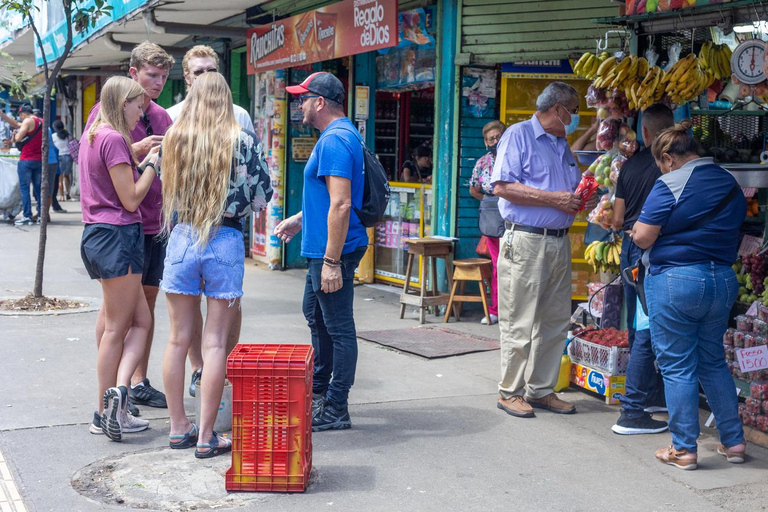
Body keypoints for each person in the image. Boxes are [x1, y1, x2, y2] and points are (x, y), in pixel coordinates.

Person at [160, 72, 272, 458]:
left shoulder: (174, 139)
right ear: (226, 101)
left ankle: (178, 428)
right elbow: (263, 197)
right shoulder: (242, 141)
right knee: (215, 344)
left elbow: (162, 186)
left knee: (177, 339)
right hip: (225, 238)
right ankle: (207, 437)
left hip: (182, 236)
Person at [631, 122, 747, 470]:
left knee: (677, 365)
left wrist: (637, 229)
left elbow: (643, 238)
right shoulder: (729, 181)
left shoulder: (671, 183)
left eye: (660, 165)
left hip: (677, 280)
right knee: (712, 361)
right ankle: (734, 442)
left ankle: (683, 450)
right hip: (722, 281)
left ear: (668, 158)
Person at [491, 82, 598, 419]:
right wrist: (555, 199)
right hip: (525, 240)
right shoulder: (518, 136)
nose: (578, 117)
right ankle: (510, 391)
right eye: (575, 109)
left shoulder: (562, 144)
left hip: (558, 240)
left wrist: (581, 199)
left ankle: (541, 389)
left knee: (553, 321)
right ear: (558, 109)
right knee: (519, 319)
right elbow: (502, 186)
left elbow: (566, 192)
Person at [275, 72, 368, 432]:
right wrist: (301, 219)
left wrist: (331, 262)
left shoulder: (335, 140)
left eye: (302, 98)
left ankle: (336, 405)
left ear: (319, 103)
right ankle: (318, 390)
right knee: (314, 313)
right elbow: (332, 196)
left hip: (335, 250)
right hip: (323, 245)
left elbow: (342, 204)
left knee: (338, 326)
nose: (298, 105)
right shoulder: (338, 136)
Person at [86, 41, 175, 414]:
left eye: (163, 77)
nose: (157, 85)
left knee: (143, 310)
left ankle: (132, 384)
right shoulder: (107, 120)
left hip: (153, 224)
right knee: (115, 318)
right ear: (132, 75)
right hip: (121, 227)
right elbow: (98, 163)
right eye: (151, 76)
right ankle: (112, 396)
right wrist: (140, 152)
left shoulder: (162, 117)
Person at [166, 45, 254, 399]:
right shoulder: (170, 116)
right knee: (188, 327)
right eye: (199, 71)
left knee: (221, 314)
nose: (206, 77)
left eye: (212, 70)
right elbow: (257, 191)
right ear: (187, 77)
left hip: (211, 230)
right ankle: (201, 371)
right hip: (190, 228)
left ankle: (220, 374)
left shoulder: (241, 117)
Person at [78, 76, 159, 441]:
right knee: (117, 329)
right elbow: (131, 198)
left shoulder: (95, 133)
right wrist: (152, 164)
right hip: (117, 236)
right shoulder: (112, 138)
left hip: (100, 235)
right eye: (137, 105)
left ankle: (118, 397)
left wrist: (137, 152)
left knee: (139, 322)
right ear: (121, 103)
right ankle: (105, 408)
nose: (141, 112)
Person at [609, 103, 674, 436]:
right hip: (655, 249)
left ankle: (650, 397)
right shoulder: (673, 166)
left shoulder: (630, 164)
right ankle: (636, 406)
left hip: (630, 249)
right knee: (652, 328)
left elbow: (617, 218)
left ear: (644, 133)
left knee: (639, 326)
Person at [469, 120, 505, 325]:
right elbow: (474, 189)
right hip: (493, 220)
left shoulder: (516, 158)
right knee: (498, 265)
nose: (494, 141)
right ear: (485, 142)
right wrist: (490, 204)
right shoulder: (482, 163)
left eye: (498, 137)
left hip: (518, 217)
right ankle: (495, 310)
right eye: (490, 139)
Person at [1, 105, 43, 226]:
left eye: (20, 116)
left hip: (26, 160)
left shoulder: (27, 121)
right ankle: (41, 215)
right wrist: (3, 116)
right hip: (39, 160)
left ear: (23, 114)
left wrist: (14, 136)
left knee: (24, 189)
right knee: (38, 189)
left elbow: (18, 139)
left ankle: (27, 216)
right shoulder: (41, 121)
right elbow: (17, 124)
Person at [52, 120, 73, 202]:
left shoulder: (53, 136)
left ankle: (62, 196)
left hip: (58, 157)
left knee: (59, 178)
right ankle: (67, 192)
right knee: (67, 176)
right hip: (68, 157)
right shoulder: (68, 135)